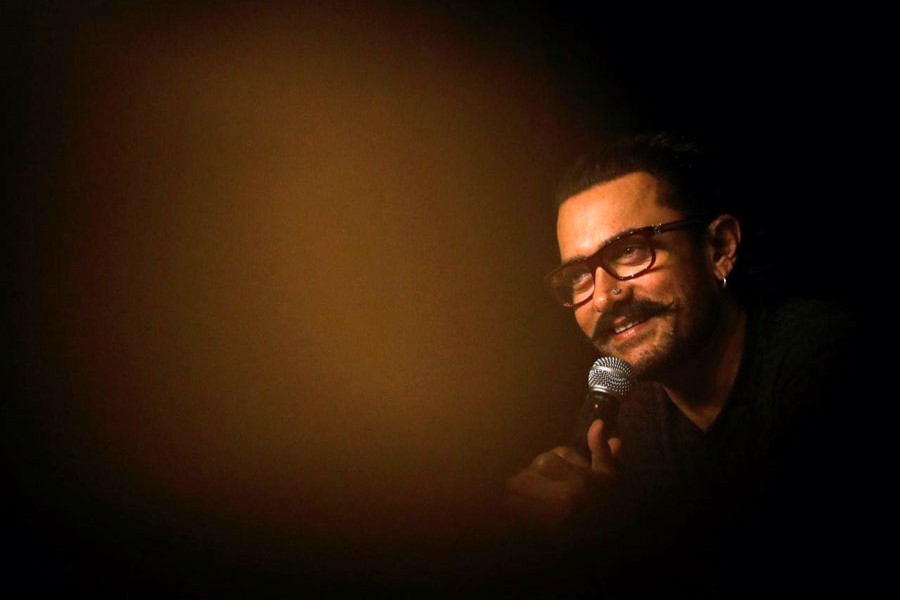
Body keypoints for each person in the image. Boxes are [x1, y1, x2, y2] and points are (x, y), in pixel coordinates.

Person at [501, 132, 863, 597]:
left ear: (719, 248)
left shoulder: (827, 365)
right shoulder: (624, 409)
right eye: (578, 276)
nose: (607, 296)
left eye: (629, 250)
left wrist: (610, 543)